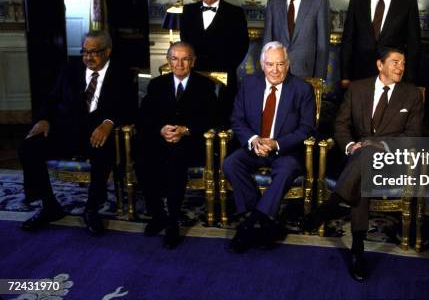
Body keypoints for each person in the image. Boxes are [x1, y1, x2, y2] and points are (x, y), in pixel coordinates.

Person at [303, 47, 424, 282]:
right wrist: (350, 146)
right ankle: (357, 249)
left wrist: (380, 145)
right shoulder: (358, 89)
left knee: (367, 157)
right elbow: (341, 124)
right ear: (380, 65)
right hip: (357, 157)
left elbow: (414, 134)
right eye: (396, 62)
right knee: (364, 165)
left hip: (392, 160)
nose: (401, 67)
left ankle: (331, 207)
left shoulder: (411, 94)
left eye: (404, 63)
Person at [20, 31, 136, 234]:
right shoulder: (70, 69)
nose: (88, 57)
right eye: (84, 51)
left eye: (94, 52)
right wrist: (44, 119)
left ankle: (91, 209)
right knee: (29, 146)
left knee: (103, 150)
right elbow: (52, 98)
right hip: (66, 129)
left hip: (97, 132)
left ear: (108, 51)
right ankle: (49, 206)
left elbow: (129, 108)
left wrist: (109, 123)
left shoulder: (122, 73)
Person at [223, 41, 316, 253]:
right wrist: (254, 139)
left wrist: (276, 143)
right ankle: (265, 220)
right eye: (270, 64)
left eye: (280, 64)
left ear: (288, 64)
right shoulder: (248, 84)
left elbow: (307, 129)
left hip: (285, 151)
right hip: (254, 147)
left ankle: (249, 222)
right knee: (230, 164)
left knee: (286, 170)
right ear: (262, 65)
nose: (275, 70)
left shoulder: (302, 89)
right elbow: (236, 119)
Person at [137, 42, 218, 249]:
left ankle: (173, 221)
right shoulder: (157, 85)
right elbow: (144, 117)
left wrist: (186, 130)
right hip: (161, 140)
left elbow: (213, 118)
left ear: (193, 61)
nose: (179, 64)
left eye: (185, 59)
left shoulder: (206, 85)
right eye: (175, 58)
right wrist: (161, 129)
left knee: (175, 161)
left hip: (191, 143)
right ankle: (158, 215)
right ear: (168, 60)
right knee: (142, 159)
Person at [180, 0, 249, 125]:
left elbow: (242, 46)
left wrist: (224, 69)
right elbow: (185, 43)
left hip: (224, 75)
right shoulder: (188, 11)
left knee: (221, 121)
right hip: (194, 74)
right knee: (193, 119)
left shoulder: (235, 13)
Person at [341, 0, 421, 85]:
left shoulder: (408, 1)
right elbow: (348, 40)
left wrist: (410, 80)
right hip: (360, 73)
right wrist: (345, 76)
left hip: (393, 74)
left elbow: (414, 44)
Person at [263, 0, 330, 79]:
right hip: (276, 73)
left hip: (306, 73)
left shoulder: (319, 2)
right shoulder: (273, 3)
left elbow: (322, 45)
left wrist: (319, 80)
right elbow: (267, 42)